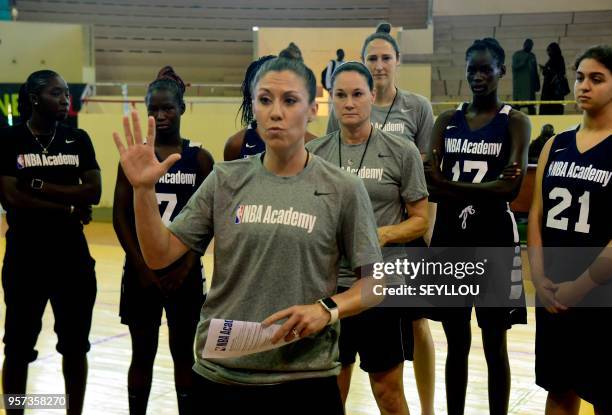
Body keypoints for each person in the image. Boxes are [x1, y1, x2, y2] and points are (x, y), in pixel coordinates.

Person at [112, 43, 383, 414]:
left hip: (305, 379)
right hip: (222, 375)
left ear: (313, 108)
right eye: (265, 100)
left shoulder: (342, 189)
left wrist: (328, 309)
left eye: (290, 101)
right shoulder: (226, 179)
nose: (276, 113)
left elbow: (375, 283)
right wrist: (143, 190)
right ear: (253, 107)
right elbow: (160, 255)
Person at [326, 22, 437, 414]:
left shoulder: (404, 146)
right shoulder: (317, 153)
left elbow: (421, 215)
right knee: (330, 389)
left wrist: (382, 235)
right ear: (331, 100)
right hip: (331, 285)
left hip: (381, 282)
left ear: (371, 97)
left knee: (388, 390)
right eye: (341, 95)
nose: (350, 102)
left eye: (357, 94)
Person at [425, 38, 530, 415]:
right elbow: (429, 184)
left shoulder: (514, 121)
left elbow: (512, 188)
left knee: (494, 343)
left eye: (486, 68)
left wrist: (450, 186)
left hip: (495, 240)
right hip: (451, 240)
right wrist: (487, 189)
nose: (479, 76)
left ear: (502, 70)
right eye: (472, 69)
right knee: (456, 343)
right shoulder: (446, 121)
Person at [113, 66, 214, 415]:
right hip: (141, 274)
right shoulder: (135, 156)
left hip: (185, 272)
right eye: (153, 109)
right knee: (141, 354)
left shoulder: (199, 159)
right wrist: (143, 266)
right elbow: (120, 217)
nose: (160, 115)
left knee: (185, 355)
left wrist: (184, 265)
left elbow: (208, 222)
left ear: (182, 108)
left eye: (168, 107)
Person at [0, 70, 101, 415]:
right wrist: (70, 205)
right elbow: (12, 196)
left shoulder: (78, 139)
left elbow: (94, 190)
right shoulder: (10, 140)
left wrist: (39, 186)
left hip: (72, 260)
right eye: (56, 94)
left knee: (75, 349)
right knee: (17, 350)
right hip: (24, 260)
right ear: (34, 99)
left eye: (66, 94)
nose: (65, 99)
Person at [528, 44, 612, 415]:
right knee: (559, 391)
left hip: (600, 293)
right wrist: (538, 275)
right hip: (554, 292)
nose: (584, 86)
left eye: (597, 79)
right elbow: (535, 214)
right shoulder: (554, 145)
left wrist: (579, 288)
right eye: (580, 77)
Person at [224, 54, 316, 161]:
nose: (276, 111)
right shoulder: (236, 145)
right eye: (265, 99)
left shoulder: (315, 146)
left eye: (288, 100)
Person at [512, 38, 540, 115]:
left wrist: (537, 83)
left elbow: (535, 71)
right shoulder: (517, 55)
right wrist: (524, 60)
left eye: (531, 45)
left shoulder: (532, 56)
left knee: (531, 106)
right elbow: (515, 67)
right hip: (520, 87)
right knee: (517, 107)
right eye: (528, 45)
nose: (529, 47)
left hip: (530, 87)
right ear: (524, 45)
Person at [540, 42, 569, 115]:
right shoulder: (552, 59)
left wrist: (548, 70)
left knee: (554, 108)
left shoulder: (559, 59)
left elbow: (560, 72)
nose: (548, 53)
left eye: (549, 51)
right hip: (549, 88)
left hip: (554, 89)